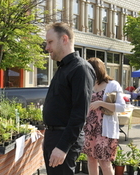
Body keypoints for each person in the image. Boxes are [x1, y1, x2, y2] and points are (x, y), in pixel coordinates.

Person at [42, 22, 96, 175]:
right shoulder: (63, 67)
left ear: (64, 39)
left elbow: (79, 114)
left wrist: (62, 146)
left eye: (50, 42)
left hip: (63, 139)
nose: (47, 47)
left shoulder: (80, 68)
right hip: (54, 137)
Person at [83, 57, 125, 175]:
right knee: (91, 160)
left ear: (96, 70)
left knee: (104, 162)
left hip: (104, 130)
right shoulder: (89, 85)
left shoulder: (112, 85)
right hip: (89, 129)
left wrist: (101, 103)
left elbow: (122, 107)